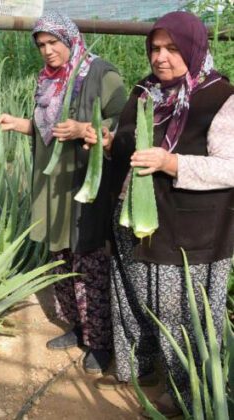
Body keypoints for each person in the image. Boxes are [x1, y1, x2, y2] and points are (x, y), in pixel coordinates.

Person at [85, 11, 234, 417]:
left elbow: (231, 167)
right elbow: (131, 143)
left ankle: (186, 391)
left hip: (188, 229)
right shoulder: (145, 91)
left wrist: (173, 164)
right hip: (135, 220)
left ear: (194, 47)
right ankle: (142, 369)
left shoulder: (221, 97)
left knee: (178, 313)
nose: (160, 57)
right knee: (135, 299)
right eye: (155, 48)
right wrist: (108, 141)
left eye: (172, 48)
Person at [0, 11, 126, 374]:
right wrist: (18, 123)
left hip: (85, 183)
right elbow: (45, 129)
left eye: (54, 43)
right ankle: (79, 327)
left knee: (89, 259)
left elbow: (125, 125)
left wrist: (85, 129)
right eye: (42, 45)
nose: (48, 51)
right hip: (51, 185)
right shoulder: (47, 80)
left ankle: (100, 341)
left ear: (69, 39)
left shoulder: (101, 74)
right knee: (61, 256)